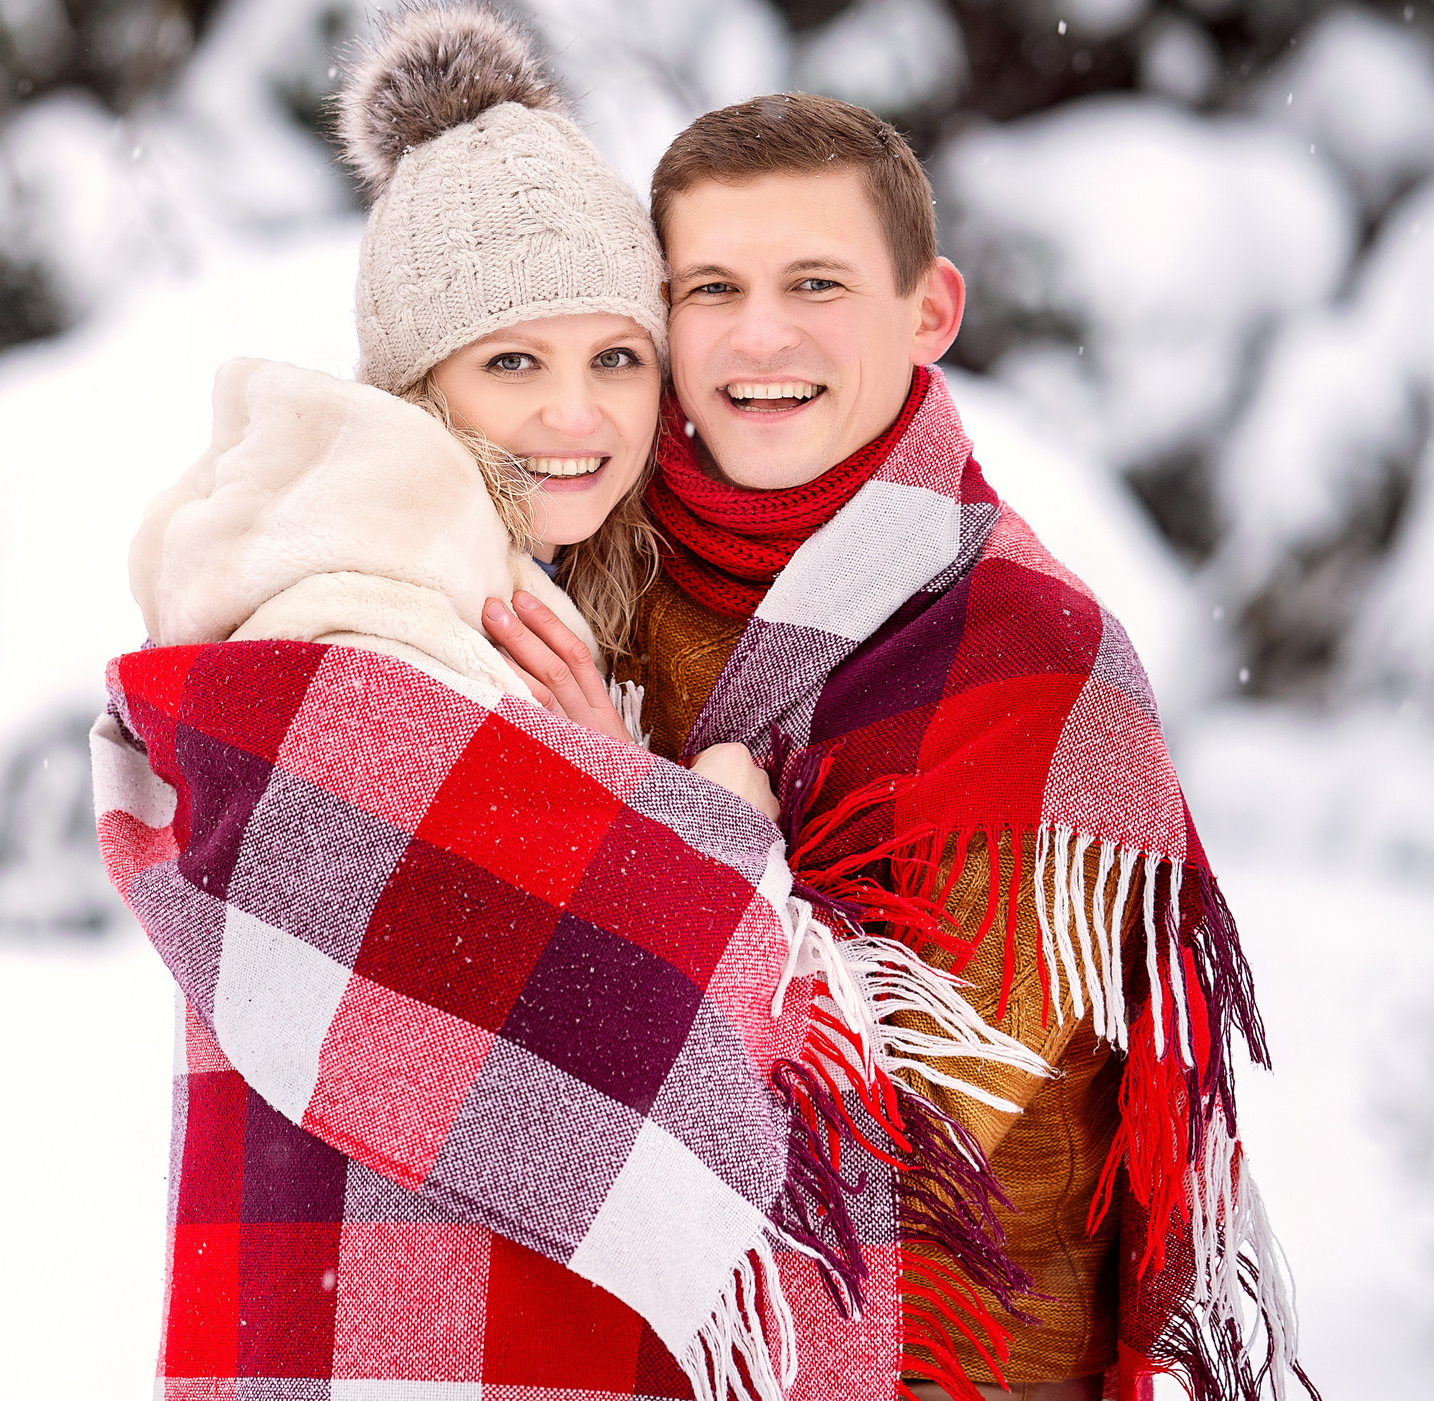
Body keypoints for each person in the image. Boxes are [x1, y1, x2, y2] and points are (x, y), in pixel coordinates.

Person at [99, 4, 1062, 1401]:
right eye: (513, 364)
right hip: (398, 1326)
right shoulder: (364, 606)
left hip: (408, 1321)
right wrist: (688, 822)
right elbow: (593, 994)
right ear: (417, 384)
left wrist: (602, 782)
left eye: (616, 358)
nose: (578, 417)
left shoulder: (509, 595)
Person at [477, 92, 1307, 1399]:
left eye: (817, 283)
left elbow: (870, 1149)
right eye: (712, 288)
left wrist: (645, 832)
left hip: (951, 1361)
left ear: (930, 310)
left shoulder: (1033, 663)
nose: (761, 337)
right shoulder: (591, 578)